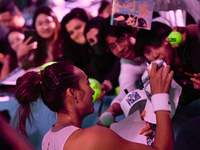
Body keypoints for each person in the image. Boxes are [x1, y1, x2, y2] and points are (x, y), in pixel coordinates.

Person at [14, 61, 174, 150]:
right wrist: (160, 96)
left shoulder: (48, 139)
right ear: (73, 93)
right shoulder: (93, 138)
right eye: (87, 83)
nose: (92, 91)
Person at [135, 21, 200, 105]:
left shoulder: (193, 48)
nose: (155, 55)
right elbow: (184, 100)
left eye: (157, 46)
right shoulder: (161, 71)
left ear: (170, 40)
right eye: (147, 52)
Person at [97, 17, 147, 125]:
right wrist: (112, 111)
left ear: (133, 30)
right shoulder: (126, 63)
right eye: (112, 46)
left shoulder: (154, 35)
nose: (120, 49)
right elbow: (125, 93)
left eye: (121, 39)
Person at [84, 16, 120, 100]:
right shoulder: (92, 67)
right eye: (91, 41)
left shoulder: (123, 55)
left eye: (98, 36)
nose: (97, 42)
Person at [59, 7, 92, 72]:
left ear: (88, 22)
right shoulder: (73, 55)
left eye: (78, 27)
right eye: (71, 32)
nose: (76, 34)